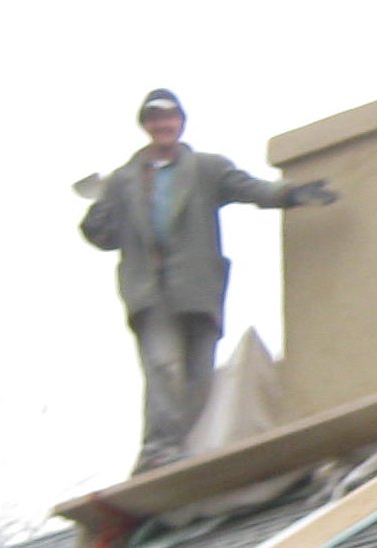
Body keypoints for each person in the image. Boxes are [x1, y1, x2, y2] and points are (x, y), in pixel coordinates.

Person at [80, 88, 337, 474]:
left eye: (169, 118)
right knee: (164, 366)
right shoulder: (124, 181)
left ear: (180, 123)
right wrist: (97, 214)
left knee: (199, 375)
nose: (163, 125)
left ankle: (185, 447)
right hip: (151, 291)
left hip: (198, 288)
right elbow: (103, 237)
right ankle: (159, 448)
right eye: (155, 119)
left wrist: (291, 194)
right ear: (146, 126)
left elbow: (251, 189)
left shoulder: (206, 169)